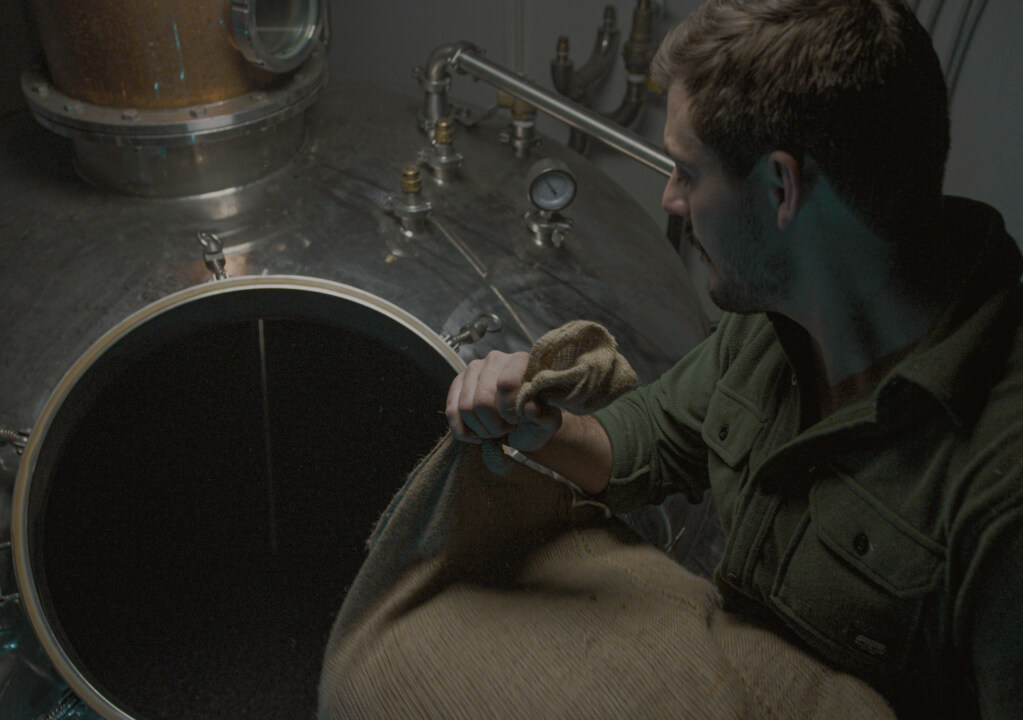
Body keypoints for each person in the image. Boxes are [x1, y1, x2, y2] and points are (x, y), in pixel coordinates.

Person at [446, 0, 1023, 716]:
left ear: (781, 187)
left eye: (688, 172)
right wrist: (542, 426)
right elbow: (656, 438)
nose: (671, 198)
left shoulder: (999, 483)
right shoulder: (779, 319)